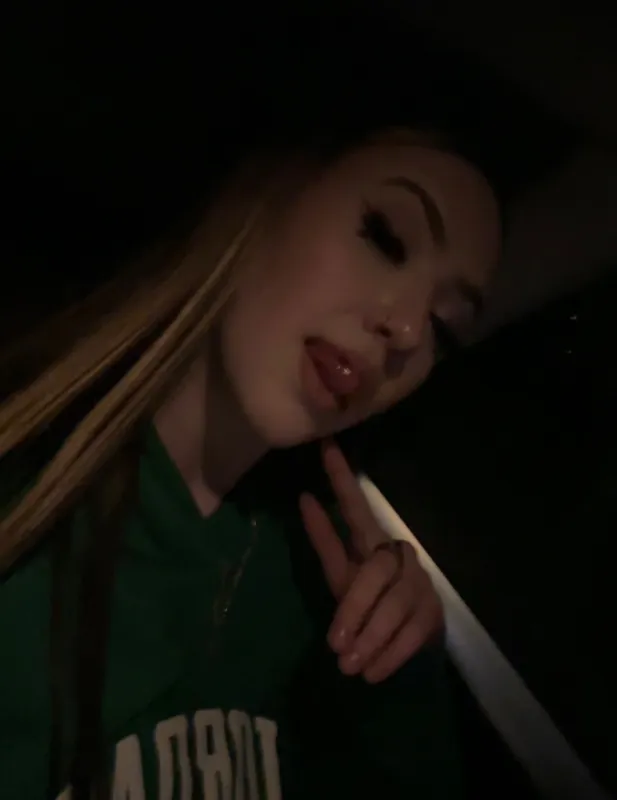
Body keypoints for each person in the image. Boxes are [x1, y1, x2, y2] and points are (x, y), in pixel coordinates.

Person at [0, 11, 545, 800]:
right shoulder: (26, 488)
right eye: (386, 236)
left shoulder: (307, 584)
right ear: (265, 190)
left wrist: (397, 685)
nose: (404, 332)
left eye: (443, 328)